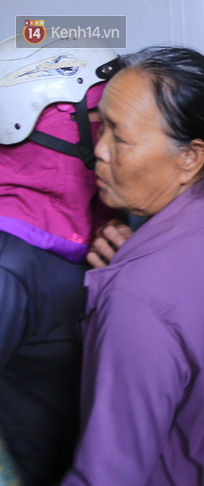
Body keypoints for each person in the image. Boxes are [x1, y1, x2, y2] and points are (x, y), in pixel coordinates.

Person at [60, 46, 204, 485]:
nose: (98, 153)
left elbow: (104, 475)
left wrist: (126, 287)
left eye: (120, 138)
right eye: (100, 128)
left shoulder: (136, 300)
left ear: (190, 157)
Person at [0, 35, 118, 486]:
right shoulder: (9, 264)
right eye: (101, 124)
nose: (115, 144)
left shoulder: (87, 232)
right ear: (52, 126)